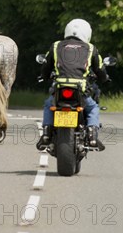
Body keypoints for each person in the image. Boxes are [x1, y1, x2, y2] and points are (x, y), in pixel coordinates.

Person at [36, 19, 110, 152]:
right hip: (80, 89)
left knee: (49, 105)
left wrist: (44, 76)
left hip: (60, 88)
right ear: (87, 33)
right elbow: (99, 68)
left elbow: (46, 66)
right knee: (93, 107)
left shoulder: (56, 46)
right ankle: (92, 135)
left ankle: (46, 134)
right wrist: (104, 78)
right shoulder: (91, 48)